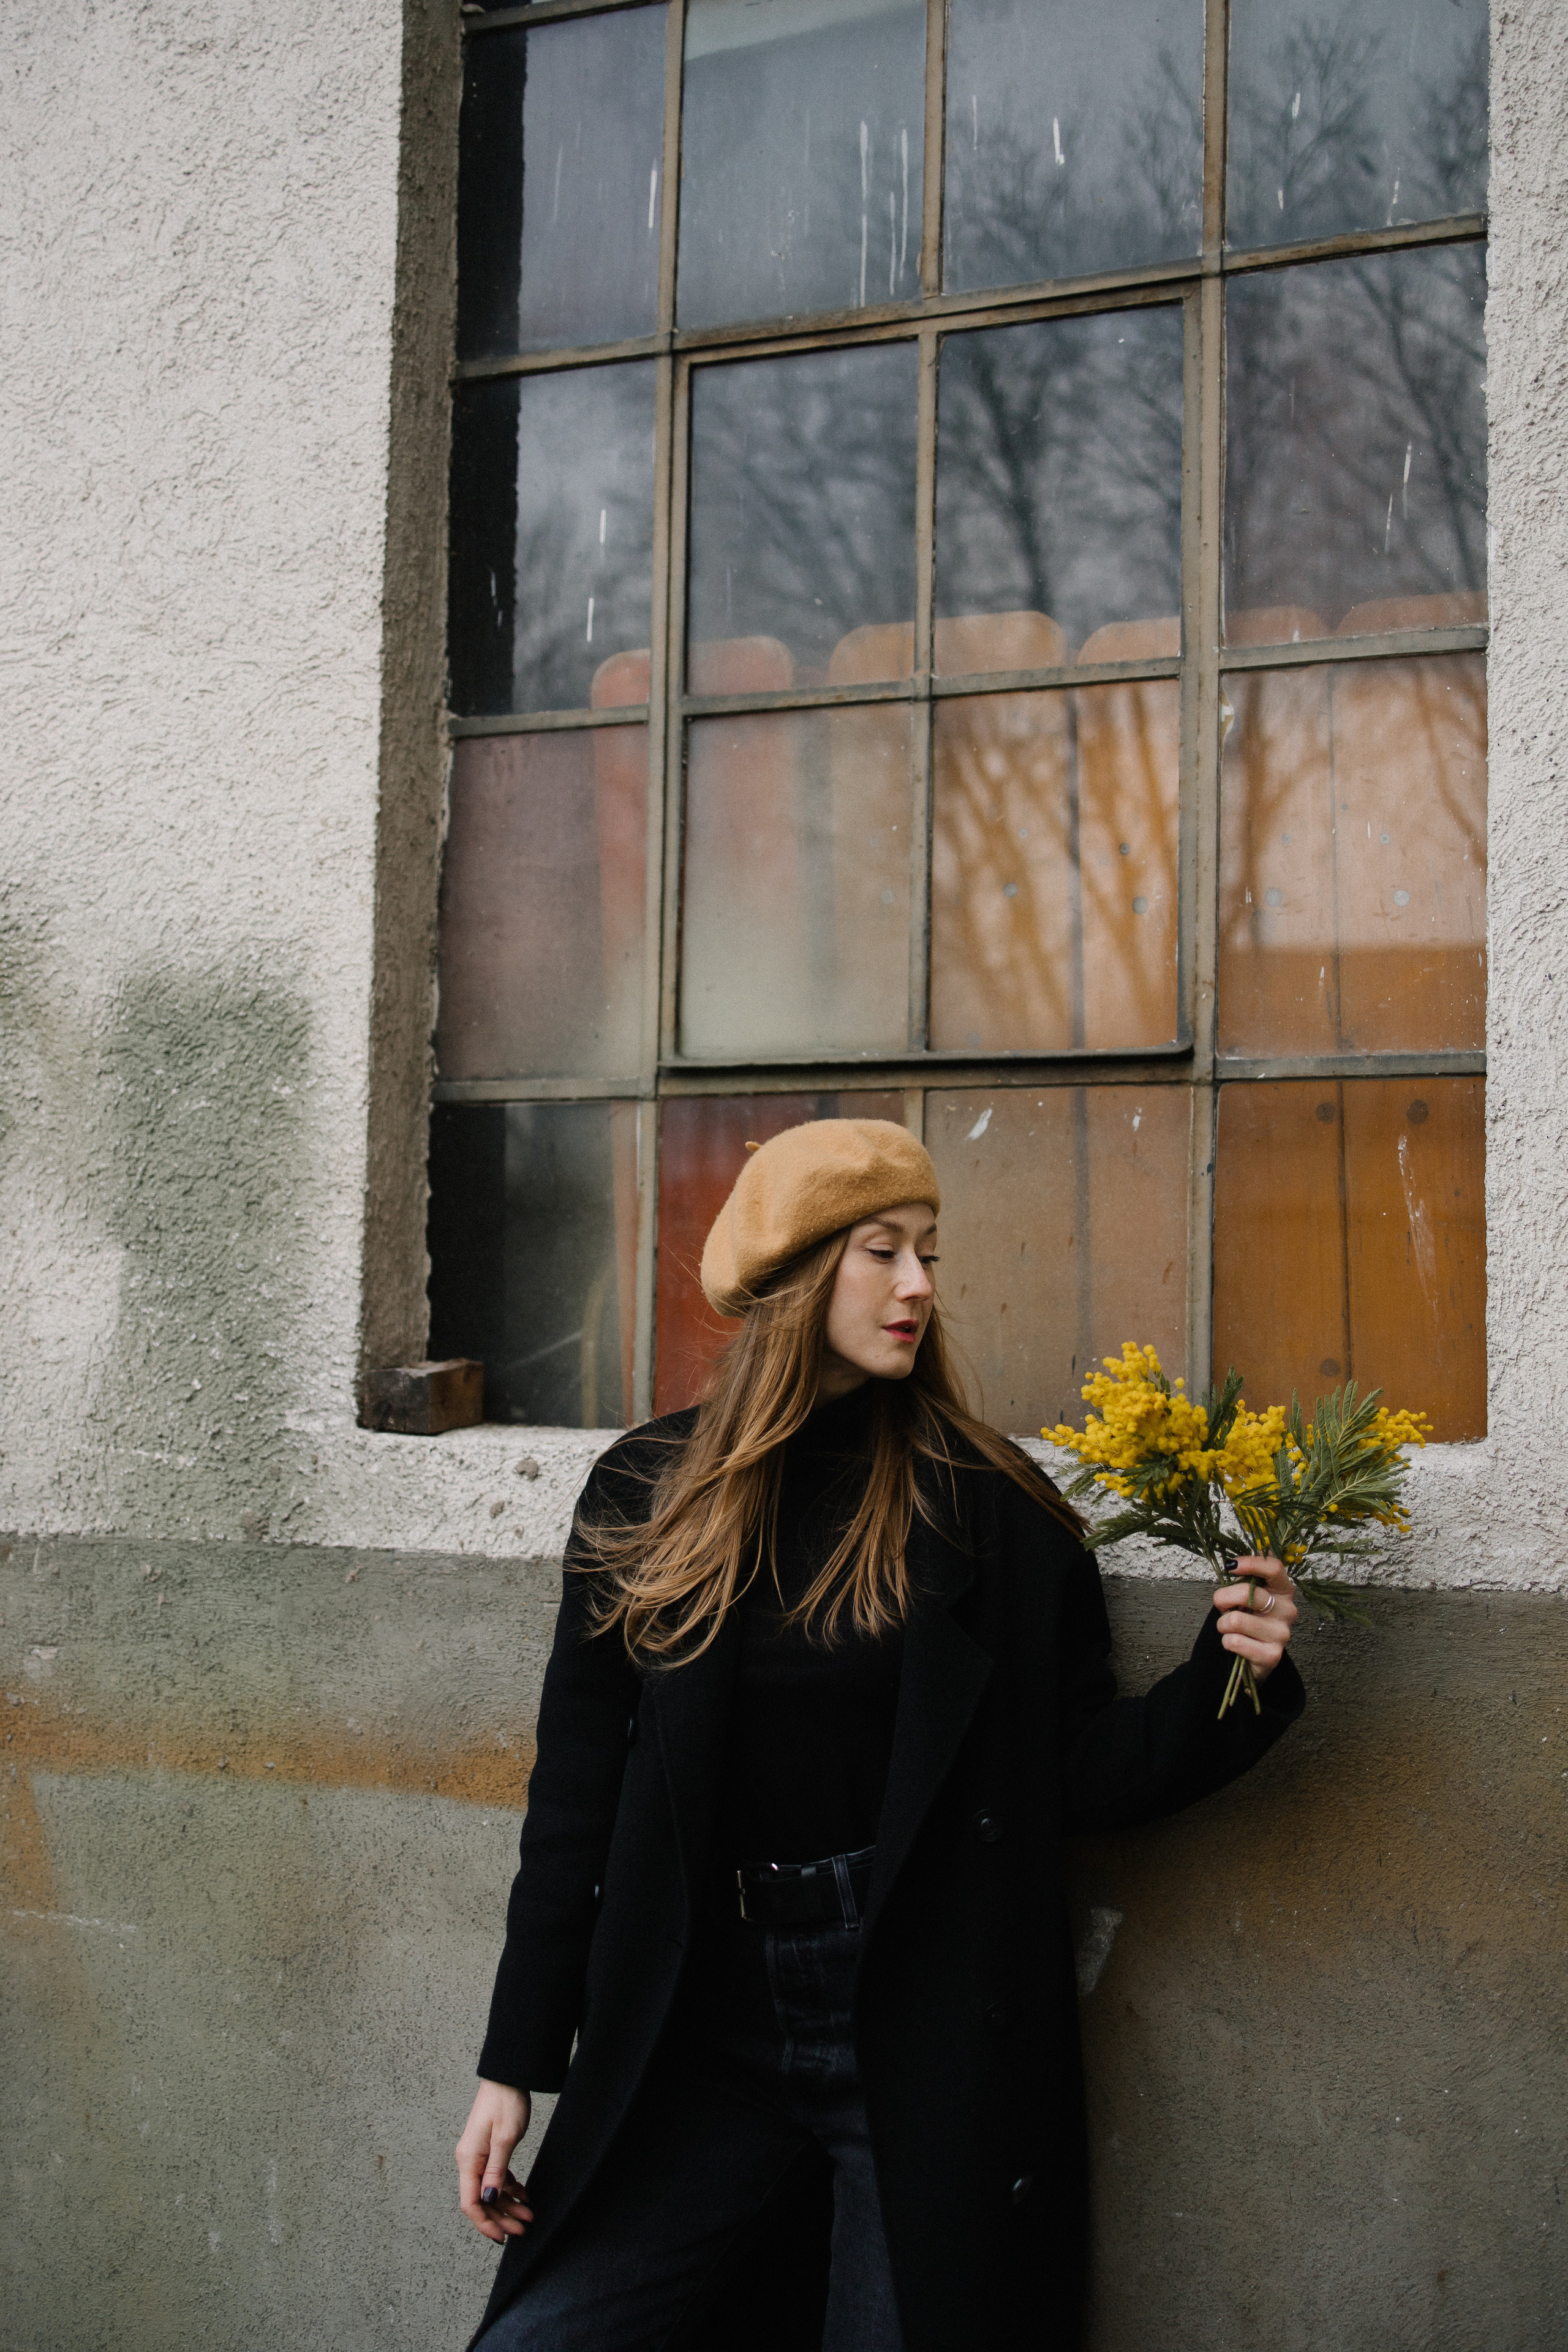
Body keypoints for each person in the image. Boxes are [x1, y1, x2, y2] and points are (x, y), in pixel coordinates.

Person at [454, 1119, 1303, 2352]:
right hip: (701, 2028)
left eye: (928, 1253)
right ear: (793, 1277)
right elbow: (575, 1804)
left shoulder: (991, 1506)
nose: (917, 1286)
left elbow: (1071, 1770)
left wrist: (1234, 1678)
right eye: (880, 1251)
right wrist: (514, 2063)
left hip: (917, 2022)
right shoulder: (649, 1493)